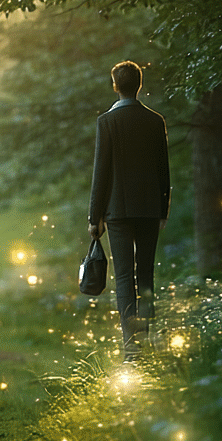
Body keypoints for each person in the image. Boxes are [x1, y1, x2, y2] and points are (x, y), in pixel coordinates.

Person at [87, 60, 170, 361]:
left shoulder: (106, 122)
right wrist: (163, 209)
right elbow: (163, 169)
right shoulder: (155, 121)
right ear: (139, 84)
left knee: (124, 277)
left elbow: (101, 172)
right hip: (149, 209)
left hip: (117, 211)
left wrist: (94, 216)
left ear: (115, 85)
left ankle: (130, 348)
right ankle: (144, 341)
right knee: (145, 274)